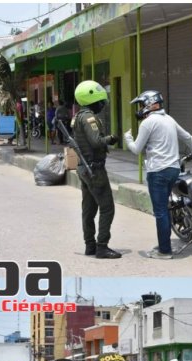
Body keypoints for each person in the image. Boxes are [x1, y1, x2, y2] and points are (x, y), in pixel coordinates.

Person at [124, 90, 192, 260]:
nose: (140, 109)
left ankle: (164, 251)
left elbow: (136, 149)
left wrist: (128, 138)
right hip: (174, 170)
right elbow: (187, 137)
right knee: (168, 206)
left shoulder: (148, 123)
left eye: (141, 105)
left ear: (150, 104)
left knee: (161, 212)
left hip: (158, 172)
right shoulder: (169, 119)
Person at [72, 81, 121, 260]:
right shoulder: (88, 118)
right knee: (107, 208)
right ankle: (102, 247)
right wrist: (111, 138)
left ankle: (90, 245)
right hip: (94, 170)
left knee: (89, 209)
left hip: (84, 168)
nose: (102, 105)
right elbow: (96, 141)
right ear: (92, 99)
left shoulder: (78, 117)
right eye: (101, 101)